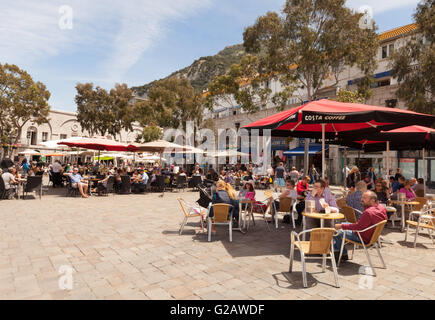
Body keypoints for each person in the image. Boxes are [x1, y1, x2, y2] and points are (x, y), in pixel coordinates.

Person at [333, 191, 387, 261]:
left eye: (364, 198)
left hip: (361, 236)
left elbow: (358, 227)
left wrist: (341, 226)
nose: (361, 199)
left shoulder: (368, 212)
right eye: (362, 197)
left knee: (335, 231)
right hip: (371, 235)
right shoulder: (381, 207)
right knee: (345, 223)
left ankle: (341, 255)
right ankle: (340, 252)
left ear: (372, 200)